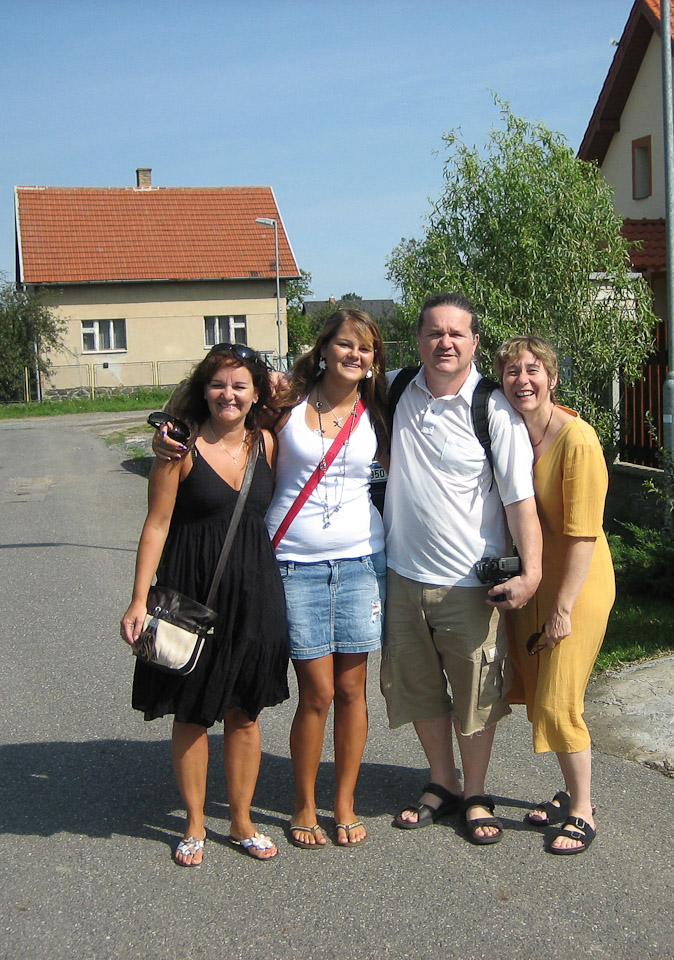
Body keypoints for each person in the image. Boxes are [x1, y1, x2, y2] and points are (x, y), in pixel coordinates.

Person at [381, 293, 542, 845]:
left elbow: (520, 501)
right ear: (418, 339)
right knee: (419, 689)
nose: (444, 342)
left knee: (476, 694)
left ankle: (475, 792)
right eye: (434, 332)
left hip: (470, 585)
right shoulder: (397, 389)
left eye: (456, 333)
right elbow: (322, 388)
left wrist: (531, 573)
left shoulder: (492, 408)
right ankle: (442, 782)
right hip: (403, 576)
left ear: (474, 342)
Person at [120, 343, 289, 867]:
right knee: (191, 713)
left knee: (245, 712)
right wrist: (138, 600)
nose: (228, 395)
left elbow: (309, 392)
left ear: (256, 393)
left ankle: (241, 821)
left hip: (255, 591)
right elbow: (156, 525)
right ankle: (194, 822)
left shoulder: (267, 443)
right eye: (218, 384)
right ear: (203, 390)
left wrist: (280, 380)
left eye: (240, 385)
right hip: (192, 592)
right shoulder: (179, 448)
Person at [266, 310, 388, 849]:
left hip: (361, 562)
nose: (354, 355)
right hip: (294, 563)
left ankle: (344, 802)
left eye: (365, 348)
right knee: (316, 691)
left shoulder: (378, 409)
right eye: (344, 344)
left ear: (374, 360)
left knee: (352, 689)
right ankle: (303, 803)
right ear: (323, 349)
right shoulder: (285, 403)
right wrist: (169, 441)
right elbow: (221, 419)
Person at [494, 335, 614, 856]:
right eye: (512, 371)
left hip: (577, 585)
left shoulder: (577, 440)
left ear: (552, 377)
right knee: (539, 688)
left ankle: (583, 809)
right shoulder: (515, 431)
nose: (522, 380)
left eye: (533, 369)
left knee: (560, 698)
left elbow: (584, 534)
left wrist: (563, 608)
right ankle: (569, 792)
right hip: (538, 581)